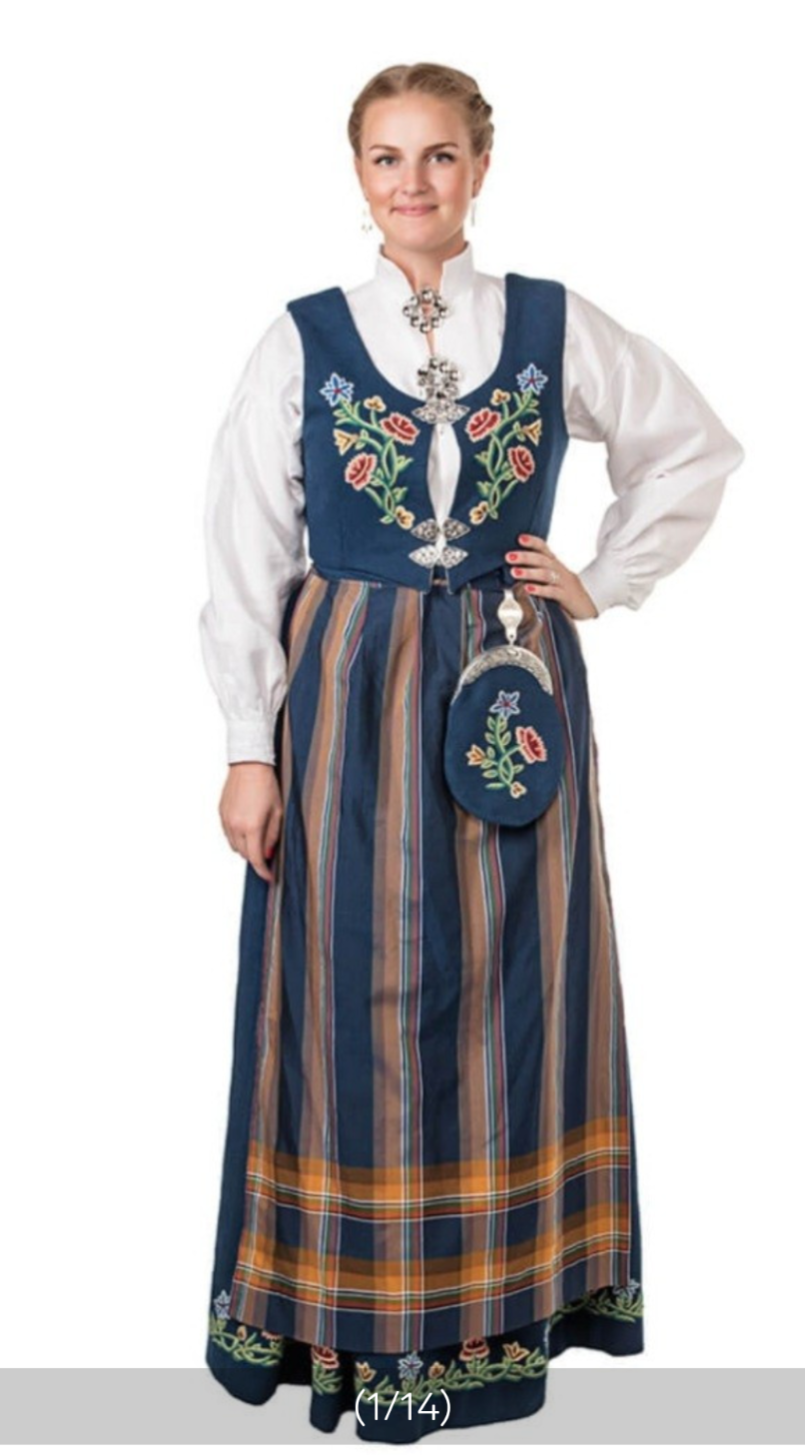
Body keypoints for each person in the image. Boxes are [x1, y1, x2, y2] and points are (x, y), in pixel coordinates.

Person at [198, 62, 745, 1442]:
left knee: (516, 980)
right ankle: (356, 1325)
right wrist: (248, 746)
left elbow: (692, 447)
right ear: (358, 174)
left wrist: (605, 579)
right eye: (387, 158)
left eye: (438, 155)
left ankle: (497, 1318)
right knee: (352, 988)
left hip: (510, 687)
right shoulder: (305, 339)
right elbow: (245, 546)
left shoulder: (550, 323)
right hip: (347, 692)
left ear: (480, 168)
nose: (413, 183)